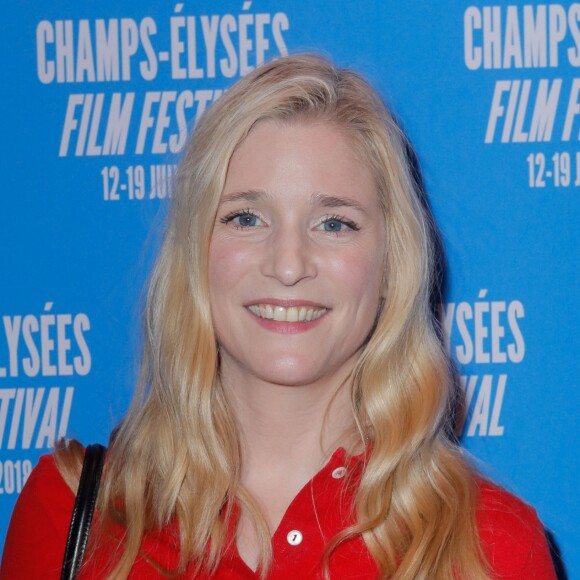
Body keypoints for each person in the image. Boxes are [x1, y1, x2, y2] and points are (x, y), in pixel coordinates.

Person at [1, 54, 556, 579]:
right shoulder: (70, 512)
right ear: (195, 251)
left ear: (391, 265)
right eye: (246, 217)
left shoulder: (490, 546)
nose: (289, 265)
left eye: (334, 223)